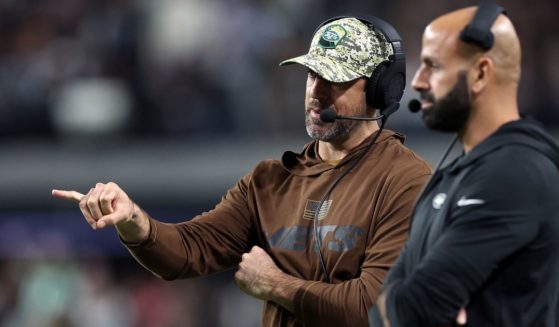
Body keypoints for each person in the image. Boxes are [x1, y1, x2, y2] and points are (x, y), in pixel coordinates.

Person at [53, 16, 431, 327]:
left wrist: (275, 285)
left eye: (336, 79)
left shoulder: (405, 183)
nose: (317, 92)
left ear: (380, 90)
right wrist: (134, 221)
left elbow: (377, 308)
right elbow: (189, 250)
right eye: (312, 75)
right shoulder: (270, 180)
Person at [370, 4, 559, 327]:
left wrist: (401, 302)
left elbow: (413, 309)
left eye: (433, 66)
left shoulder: (514, 173)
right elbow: (383, 307)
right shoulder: (458, 173)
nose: (418, 81)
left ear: (481, 73)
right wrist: (400, 302)